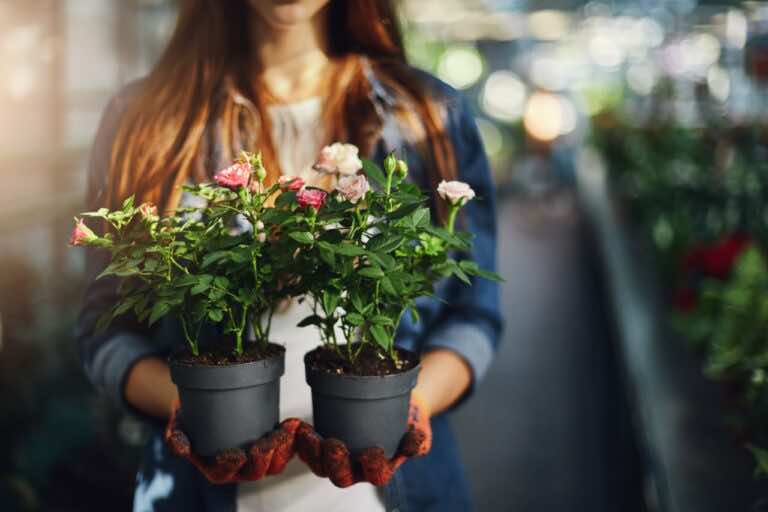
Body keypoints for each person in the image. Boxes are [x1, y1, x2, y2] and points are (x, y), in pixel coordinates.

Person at [75, 1, 501, 511]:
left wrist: (411, 405)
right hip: (193, 496)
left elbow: (473, 317)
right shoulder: (146, 119)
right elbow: (104, 328)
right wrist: (191, 406)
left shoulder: (427, 115)